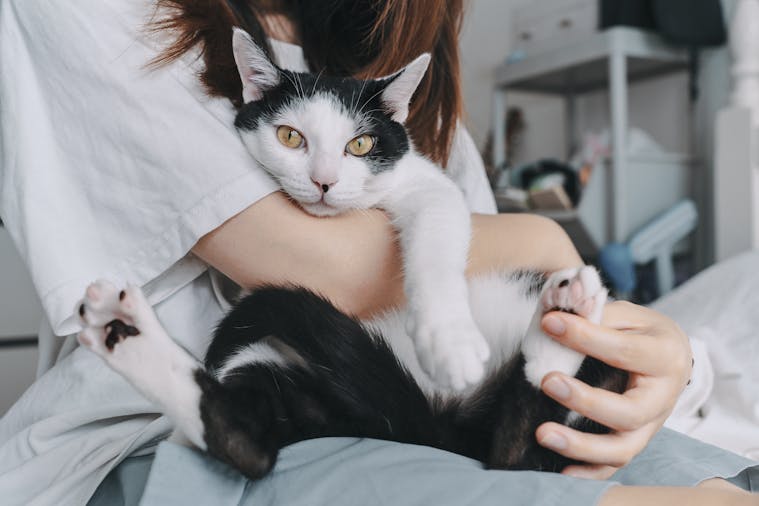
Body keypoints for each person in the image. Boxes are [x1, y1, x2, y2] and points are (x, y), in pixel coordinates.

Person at [0, 0, 755, 505]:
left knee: (711, 478)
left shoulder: (396, 62)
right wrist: (550, 238)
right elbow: (335, 273)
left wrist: (659, 357)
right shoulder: (91, 12)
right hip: (164, 439)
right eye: (295, 142)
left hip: (425, 402)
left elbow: (481, 304)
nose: (326, 177)